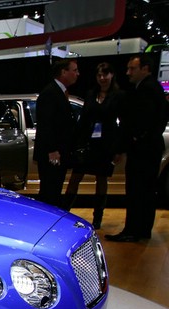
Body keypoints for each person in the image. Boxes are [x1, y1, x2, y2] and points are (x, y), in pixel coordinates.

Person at [106, 53, 168, 242]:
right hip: (149, 148)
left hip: (143, 150)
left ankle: (133, 231)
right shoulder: (153, 87)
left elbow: (140, 121)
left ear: (145, 69)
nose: (128, 73)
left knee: (137, 190)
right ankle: (142, 230)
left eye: (132, 68)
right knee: (146, 191)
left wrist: (133, 140)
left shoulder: (146, 90)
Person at [63, 62, 124, 229]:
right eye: (99, 75)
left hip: (105, 145)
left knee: (101, 179)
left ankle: (98, 219)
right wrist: (75, 142)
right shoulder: (91, 94)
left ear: (112, 75)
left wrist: (119, 149)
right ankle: (64, 213)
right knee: (75, 177)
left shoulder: (118, 96)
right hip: (87, 143)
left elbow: (122, 123)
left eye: (105, 74)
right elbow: (83, 119)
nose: (102, 78)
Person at [33, 58, 80, 207]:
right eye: (74, 70)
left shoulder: (60, 92)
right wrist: (52, 150)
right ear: (63, 72)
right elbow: (46, 124)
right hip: (52, 155)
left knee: (54, 189)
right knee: (50, 191)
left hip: (59, 153)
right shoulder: (50, 93)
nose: (77, 74)